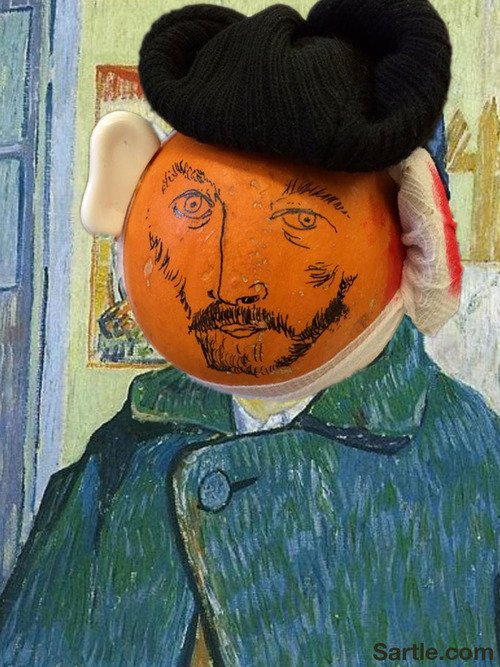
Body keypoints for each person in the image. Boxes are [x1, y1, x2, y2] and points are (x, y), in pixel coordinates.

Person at [1, 1, 500, 666]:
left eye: (301, 222)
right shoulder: (118, 456)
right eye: (195, 208)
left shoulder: (475, 469)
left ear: (415, 236)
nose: (230, 281)